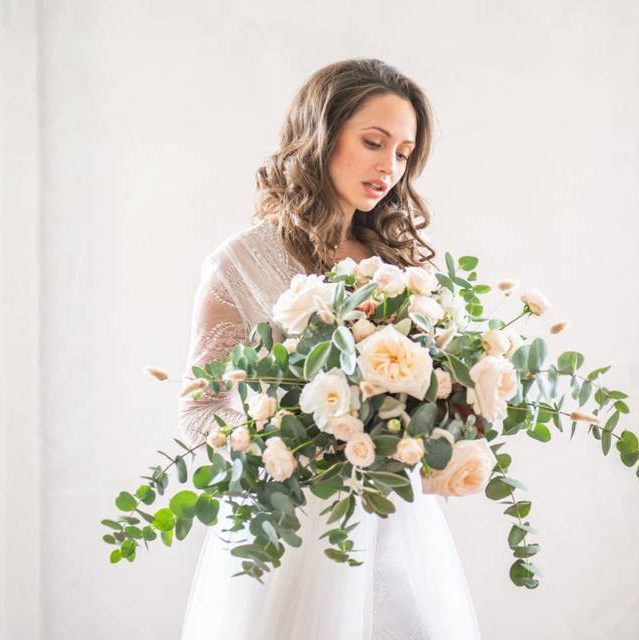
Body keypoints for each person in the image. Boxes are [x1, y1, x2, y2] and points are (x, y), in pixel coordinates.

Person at [177, 58, 481, 640]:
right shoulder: (238, 263)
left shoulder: (397, 264)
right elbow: (200, 409)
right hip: (288, 526)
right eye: (373, 142)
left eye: (403, 153)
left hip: (393, 522)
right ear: (321, 135)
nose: (389, 168)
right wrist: (304, 429)